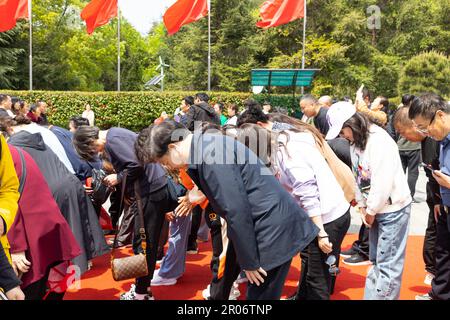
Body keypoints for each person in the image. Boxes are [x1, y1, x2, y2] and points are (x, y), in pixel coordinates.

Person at [134, 120, 319, 300]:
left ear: (173, 147)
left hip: (271, 229)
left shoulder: (209, 154)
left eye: (164, 161)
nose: (168, 167)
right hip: (261, 224)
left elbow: (235, 210)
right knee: (229, 278)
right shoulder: (206, 145)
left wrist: (250, 262)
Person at [237, 123, 351, 300]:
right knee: (308, 265)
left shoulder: (289, 153)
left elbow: (308, 193)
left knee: (317, 278)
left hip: (326, 217)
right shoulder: (279, 144)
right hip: (313, 216)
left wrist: (321, 233)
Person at [73, 125, 178, 300]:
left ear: (90, 142)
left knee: (144, 243)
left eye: (91, 150)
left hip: (150, 191)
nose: (96, 153)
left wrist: (118, 178)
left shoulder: (112, 140)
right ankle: (143, 289)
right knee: (145, 243)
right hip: (153, 188)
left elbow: (135, 165)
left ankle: (141, 292)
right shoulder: (115, 134)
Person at [326, 103, 411, 300]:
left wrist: (370, 210)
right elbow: (358, 177)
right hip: (375, 208)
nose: (343, 136)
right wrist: (363, 206)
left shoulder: (379, 141)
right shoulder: (356, 142)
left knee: (388, 265)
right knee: (376, 261)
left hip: (392, 210)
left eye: (343, 131)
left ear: (352, 124)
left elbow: (382, 183)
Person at [7, 126, 109, 276]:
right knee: (80, 223)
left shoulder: (14, 149)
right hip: (70, 181)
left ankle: (76, 268)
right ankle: (86, 261)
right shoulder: (39, 142)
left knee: (71, 228)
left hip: (53, 189)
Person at [7, 144, 81, 300]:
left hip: (28, 233)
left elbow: (7, 203)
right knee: (42, 288)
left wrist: (16, 247)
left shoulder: (7, 153)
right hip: (46, 225)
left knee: (28, 291)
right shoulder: (18, 149)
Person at [408, 93, 450, 300]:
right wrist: (440, 201)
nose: (425, 133)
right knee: (443, 254)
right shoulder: (441, 140)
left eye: (425, 127)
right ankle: (439, 294)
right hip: (445, 207)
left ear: (440, 115)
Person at [393, 106, 440, 287]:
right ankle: (432, 270)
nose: (403, 137)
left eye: (402, 132)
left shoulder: (436, 138)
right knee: (435, 230)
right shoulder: (427, 140)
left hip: (442, 194)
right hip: (436, 194)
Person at [396, 95, 422, 201]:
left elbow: (393, 130)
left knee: (399, 172)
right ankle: (410, 195)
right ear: (411, 101)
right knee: (413, 172)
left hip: (400, 146)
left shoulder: (399, 112)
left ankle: (399, 193)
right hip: (414, 147)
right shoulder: (415, 113)